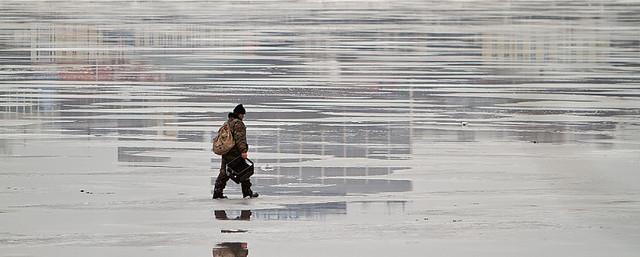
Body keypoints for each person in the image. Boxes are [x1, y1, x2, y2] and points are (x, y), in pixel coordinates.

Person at [213, 104, 259, 199]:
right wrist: (243, 151)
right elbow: (240, 139)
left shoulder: (228, 123)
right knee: (244, 171)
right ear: (239, 114)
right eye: (242, 115)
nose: (243, 117)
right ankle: (247, 193)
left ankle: (217, 192)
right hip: (235, 153)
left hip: (226, 151)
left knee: (224, 172)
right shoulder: (238, 124)